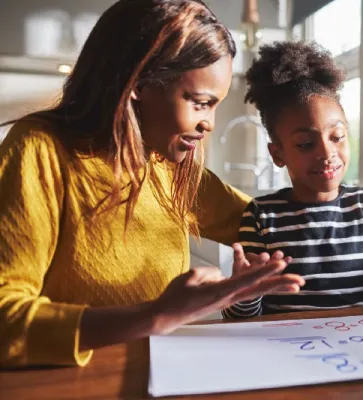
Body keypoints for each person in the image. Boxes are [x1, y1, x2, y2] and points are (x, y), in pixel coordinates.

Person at [0, 0, 305, 368]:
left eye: (215, 106)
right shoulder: (40, 149)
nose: (208, 123)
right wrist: (157, 316)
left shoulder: (170, 165)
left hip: (161, 373)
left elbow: (273, 225)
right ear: (139, 84)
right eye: (199, 102)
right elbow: (6, 317)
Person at [222, 41, 363, 319]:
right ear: (277, 153)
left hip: (359, 345)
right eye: (305, 144)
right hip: (287, 348)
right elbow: (237, 318)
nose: (327, 153)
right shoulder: (260, 214)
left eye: (337, 137)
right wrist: (245, 290)